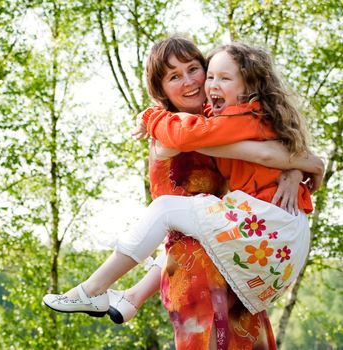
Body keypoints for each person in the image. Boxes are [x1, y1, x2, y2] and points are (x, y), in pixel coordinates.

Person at [43, 38, 324, 348]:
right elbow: (259, 154)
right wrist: (300, 164)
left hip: (239, 254)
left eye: (195, 70)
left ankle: (96, 290)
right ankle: (119, 295)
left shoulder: (225, 119)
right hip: (213, 268)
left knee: (168, 211)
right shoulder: (185, 132)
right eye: (174, 76)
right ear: (160, 88)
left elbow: (268, 154)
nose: (192, 81)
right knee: (172, 215)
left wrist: (297, 168)